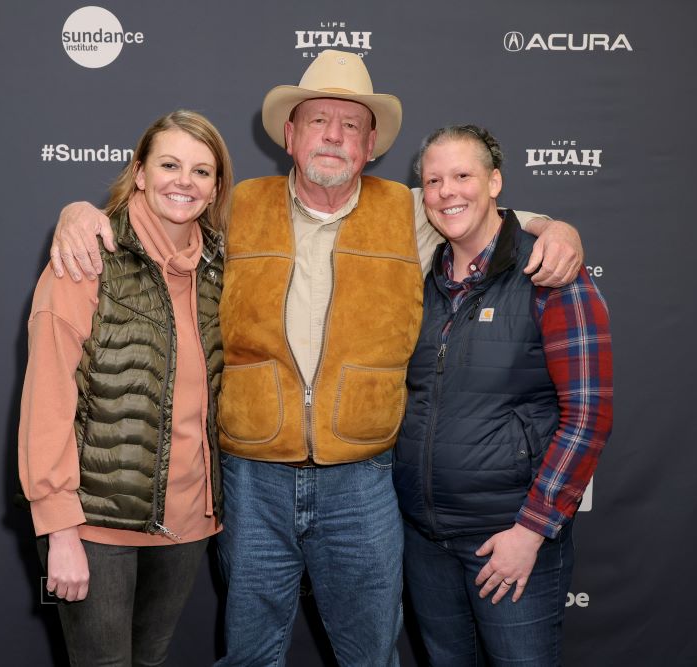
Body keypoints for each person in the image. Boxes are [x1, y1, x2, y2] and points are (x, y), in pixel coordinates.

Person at [46, 51, 584, 666]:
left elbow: (486, 216)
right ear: (289, 135)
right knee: (250, 654)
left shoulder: (410, 211)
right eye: (319, 121)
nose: (334, 135)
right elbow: (161, 215)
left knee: (370, 655)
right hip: (253, 478)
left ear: (372, 143)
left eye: (351, 125)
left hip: (363, 479)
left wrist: (558, 227)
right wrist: (81, 213)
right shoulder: (238, 205)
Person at [17, 109, 233, 666]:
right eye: (169, 164)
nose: (184, 181)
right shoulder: (86, 257)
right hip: (95, 524)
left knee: (150, 661)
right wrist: (59, 529)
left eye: (201, 171)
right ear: (139, 172)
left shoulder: (219, 269)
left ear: (215, 189)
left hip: (186, 524)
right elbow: (48, 399)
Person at [394, 124, 613, 666]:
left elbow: (589, 416)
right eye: (434, 181)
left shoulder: (550, 272)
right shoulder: (418, 279)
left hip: (509, 540)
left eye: (463, 176)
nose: (448, 192)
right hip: (425, 540)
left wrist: (533, 530)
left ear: (495, 182)